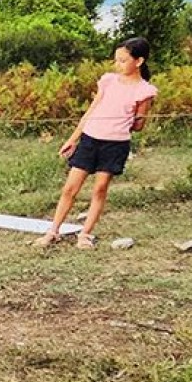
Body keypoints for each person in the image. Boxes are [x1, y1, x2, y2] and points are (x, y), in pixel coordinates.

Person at [33, 38, 157, 249]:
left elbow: (138, 126)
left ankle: (85, 234)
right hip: (90, 139)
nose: (117, 65)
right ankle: (52, 231)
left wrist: (132, 119)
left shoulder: (145, 90)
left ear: (139, 61)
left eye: (123, 60)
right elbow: (91, 111)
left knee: (100, 189)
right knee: (70, 188)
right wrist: (73, 139)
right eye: (116, 60)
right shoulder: (108, 81)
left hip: (115, 144)